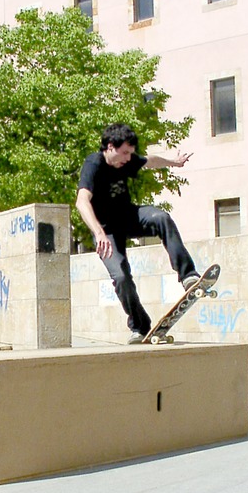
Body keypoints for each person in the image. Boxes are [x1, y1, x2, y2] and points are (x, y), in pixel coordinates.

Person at [76, 123, 200, 344]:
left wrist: (173, 162)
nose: (127, 158)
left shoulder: (128, 159)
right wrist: (99, 232)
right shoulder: (93, 164)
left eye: (130, 154)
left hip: (127, 217)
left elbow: (150, 161)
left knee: (161, 217)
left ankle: (188, 274)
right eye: (124, 153)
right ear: (110, 147)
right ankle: (140, 326)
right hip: (106, 230)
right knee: (121, 277)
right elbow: (82, 201)